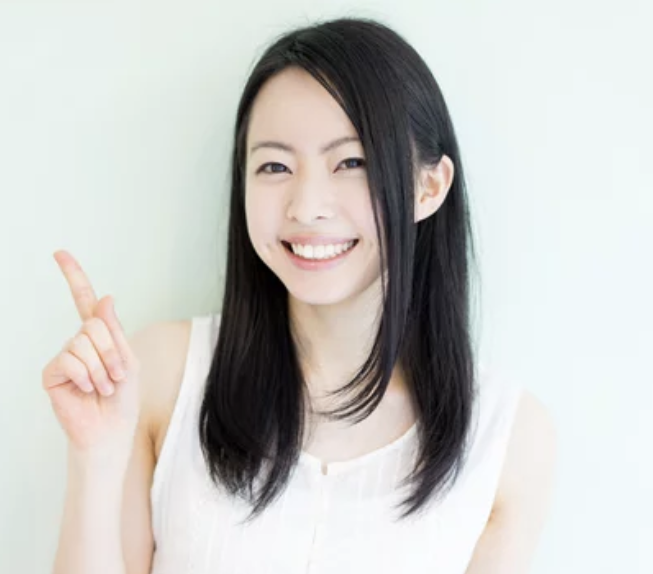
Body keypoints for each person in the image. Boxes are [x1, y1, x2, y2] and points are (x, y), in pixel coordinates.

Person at [41, 16, 557, 574]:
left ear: (428, 186)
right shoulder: (163, 374)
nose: (307, 206)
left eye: (351, 162)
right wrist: (96, 459)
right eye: (275, 165)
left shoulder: (508, 440)